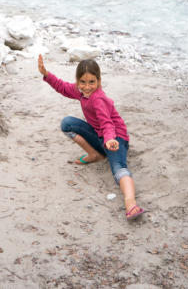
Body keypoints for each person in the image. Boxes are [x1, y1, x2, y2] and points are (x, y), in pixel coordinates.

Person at [38, 54, 145, 221]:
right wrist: (46, 74)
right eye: (83, 82)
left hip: (115, 138)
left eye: (92, 82)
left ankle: (131, 203)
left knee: (118, 168)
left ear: (99, 81)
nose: (87, 87)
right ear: (78, 81)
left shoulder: (98, 99)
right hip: (99, 135)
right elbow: (63, 87)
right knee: (67, 123)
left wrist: (110, 139)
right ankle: (95, 154)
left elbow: (107, 123)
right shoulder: (80, 92)